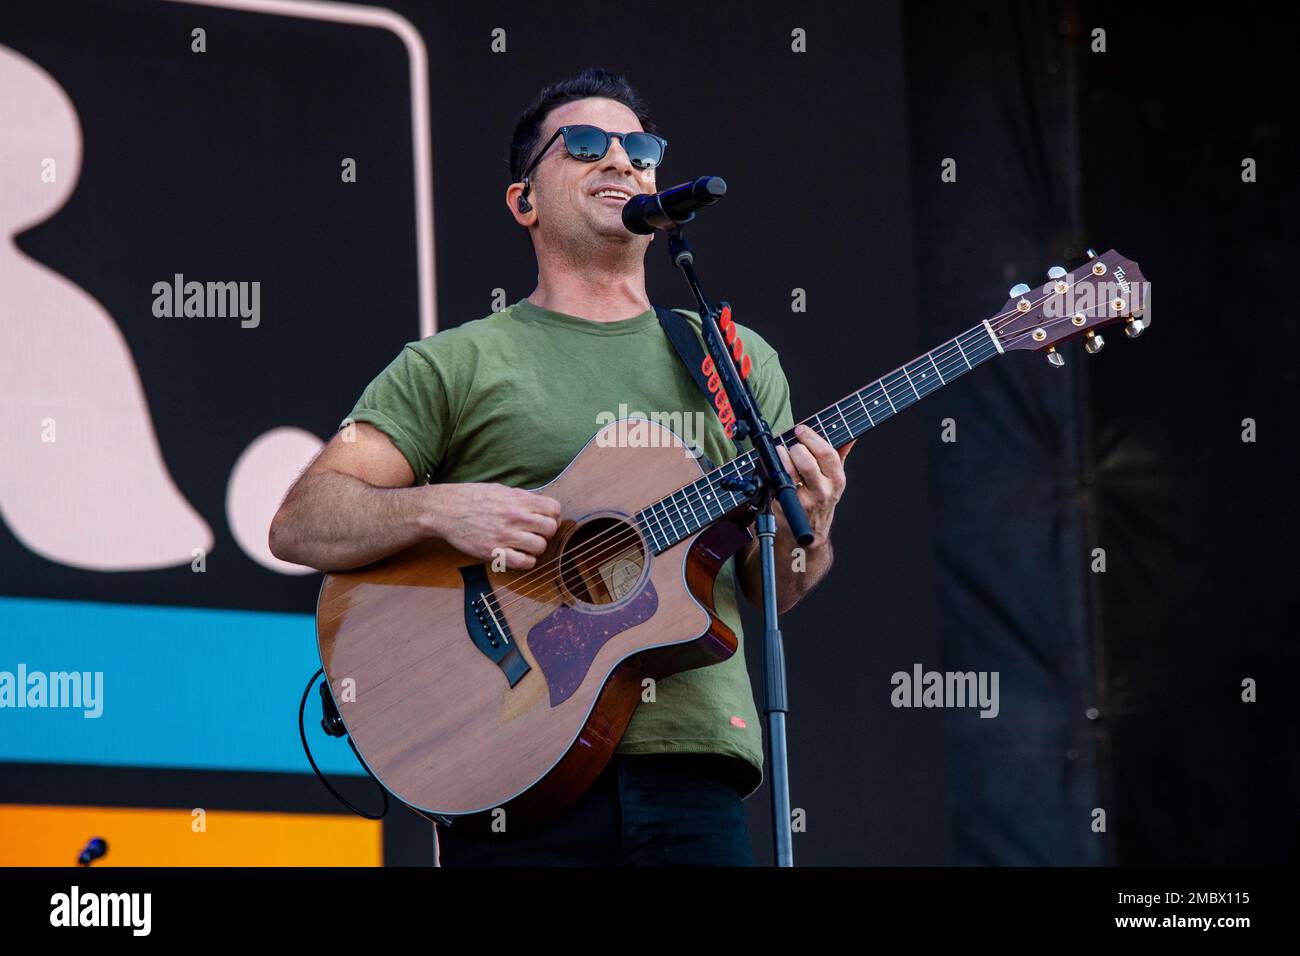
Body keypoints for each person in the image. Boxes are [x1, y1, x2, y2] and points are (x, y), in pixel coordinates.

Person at [269, 67, 854, 866]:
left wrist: (810, 527)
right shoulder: (457, 363)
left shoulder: (735, 359)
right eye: (585, 144)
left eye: (639, 148)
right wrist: (442, 511)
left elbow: (770, 589)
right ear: (525, 201)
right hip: (510, 767)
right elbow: (303, 519)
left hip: (695, 773)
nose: (620, 160)